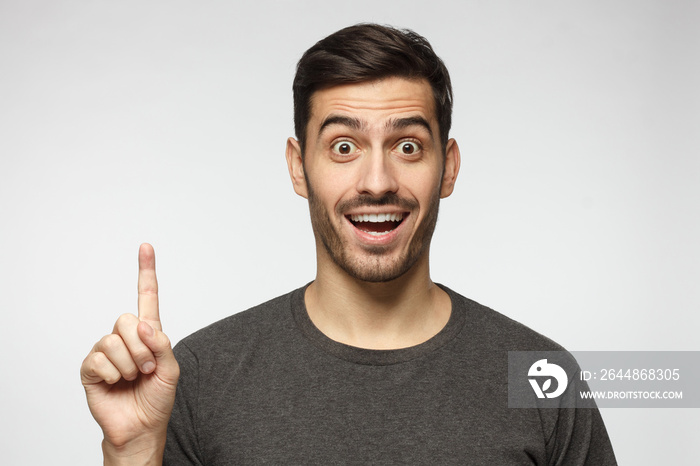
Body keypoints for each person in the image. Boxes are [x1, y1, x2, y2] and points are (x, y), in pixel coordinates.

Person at [81, 24, 617, 464]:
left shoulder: (543, 379)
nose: (377, 180)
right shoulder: (197, 377)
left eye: (408, 145)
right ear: (298, 166)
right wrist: (129, 455)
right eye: (343, 146)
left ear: (448, 168)